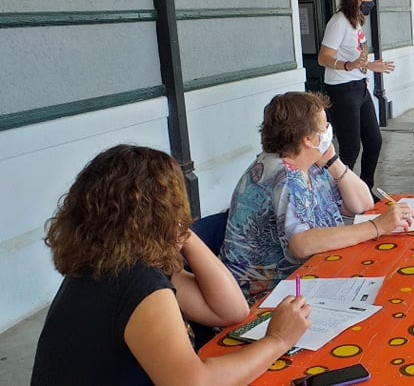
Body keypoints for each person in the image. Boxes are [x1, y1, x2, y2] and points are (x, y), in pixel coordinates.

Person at [32, 145, 312, 385]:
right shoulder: (136, 282)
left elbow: (231, 311)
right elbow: (195, 383)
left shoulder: (111, 265)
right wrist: (278, 340)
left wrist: (184, 236)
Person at [220, 92, 413, 303]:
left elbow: (361, 205)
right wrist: (376, 227)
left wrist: (332, 160)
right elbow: (302, 245)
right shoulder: (284, 176)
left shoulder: (309, 162)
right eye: (323, 125)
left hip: (307, 277)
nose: (328, 128)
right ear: (309, 140)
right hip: (268, 297)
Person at [318, 0, 395, 191]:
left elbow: (356, 59)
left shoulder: (358, 21)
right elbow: (323, 58)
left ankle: (364, 189)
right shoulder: (339, 22)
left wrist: (369, 66)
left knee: (374, 141)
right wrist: (347, 66)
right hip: (342, 90)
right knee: (350, 148)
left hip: (360, 87)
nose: (371, 2)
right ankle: (338, 193)